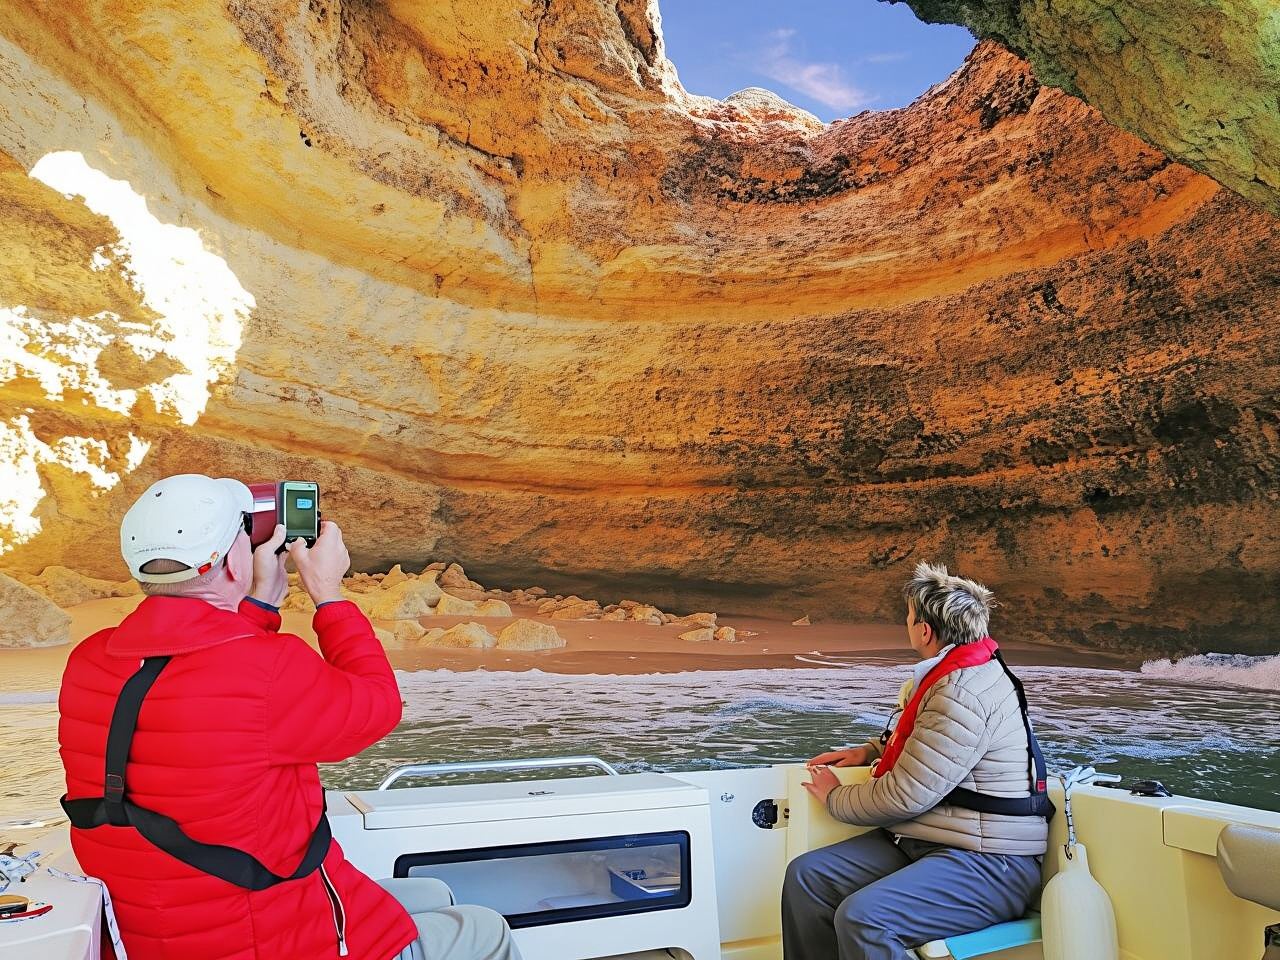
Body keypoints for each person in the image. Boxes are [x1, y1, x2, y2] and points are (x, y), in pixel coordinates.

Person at [58, 474, 521, 960]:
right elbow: (379, 706)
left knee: (432, 896)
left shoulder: (91, 659)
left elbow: (195, 679)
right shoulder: (270, 667)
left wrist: (257, 607)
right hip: (269, 938)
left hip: (162, 931)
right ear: (234, 562)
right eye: (244, 535)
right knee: (482, 927)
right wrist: (329, 594)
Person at [782, 562, 1050, 960]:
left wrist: (837, 797)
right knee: (808, 878)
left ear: (924, 630)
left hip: (989, 863)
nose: (906, 625)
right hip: (927, 839)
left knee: (865, 919)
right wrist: (871, 751)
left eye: (908, 618)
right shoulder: (954, 675)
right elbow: (933, 744)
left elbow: (905, 795)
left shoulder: (962, 692)